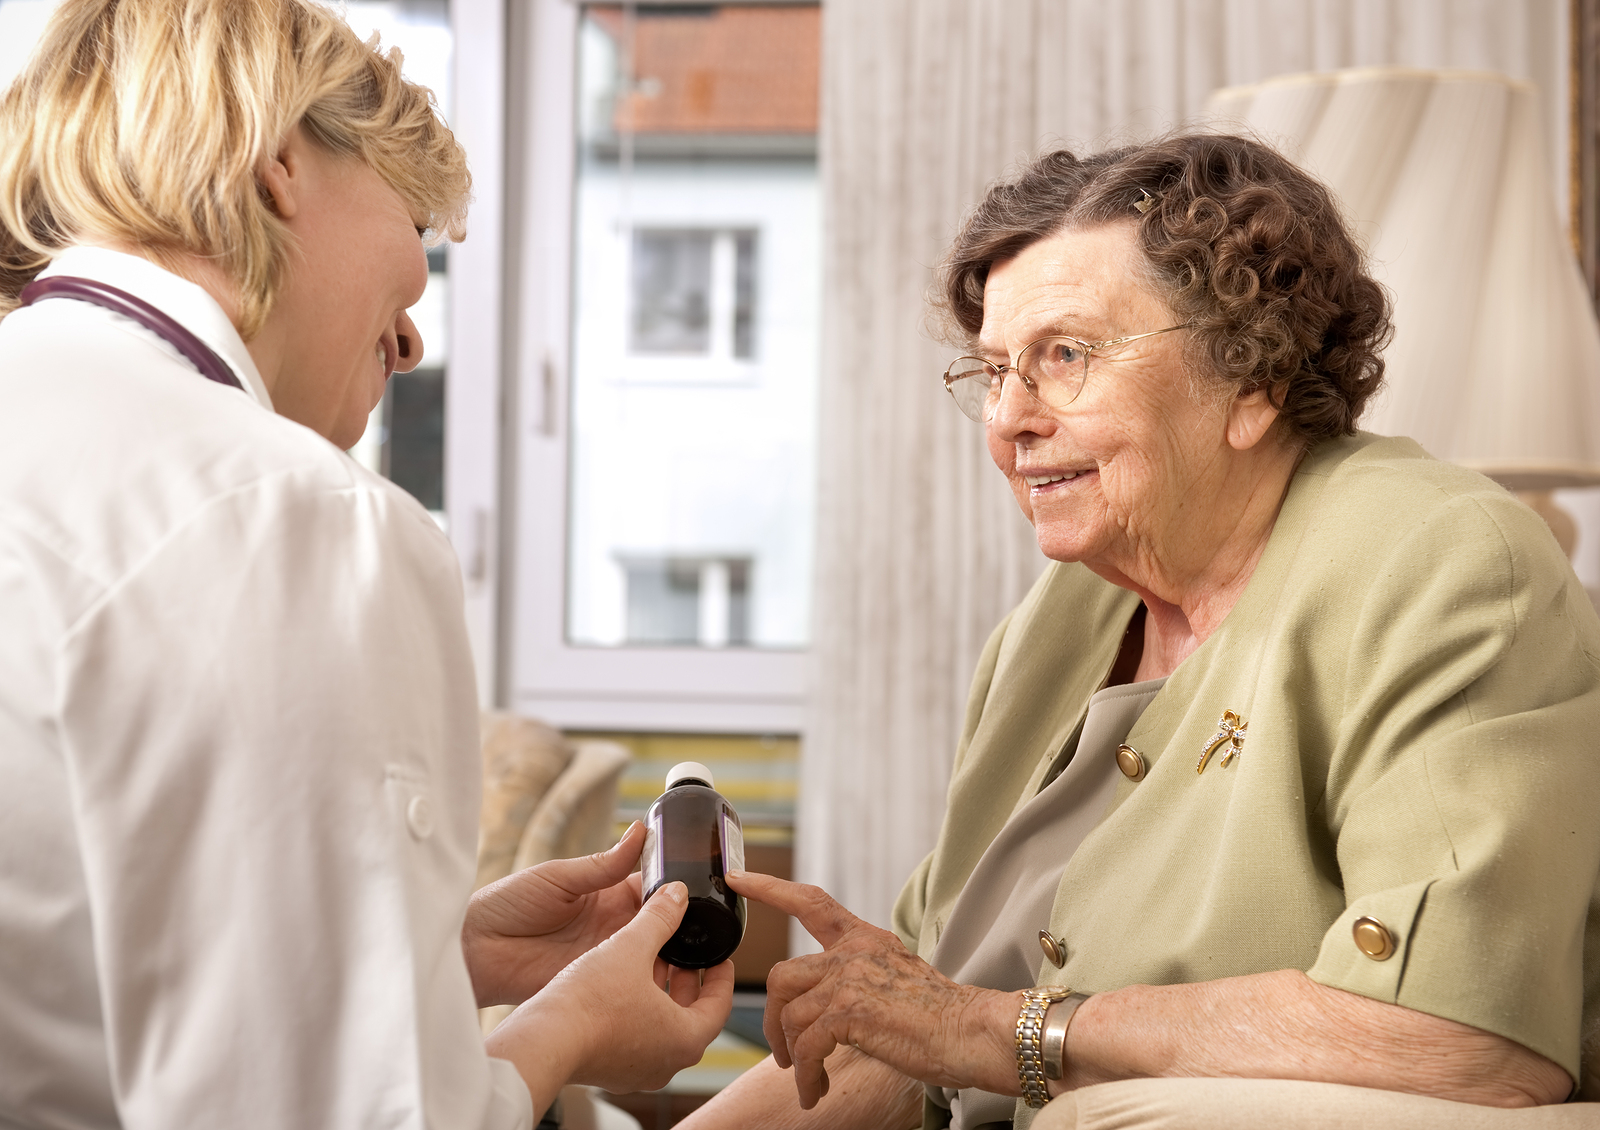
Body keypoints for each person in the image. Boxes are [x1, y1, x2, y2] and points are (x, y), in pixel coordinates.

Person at [680, 134, 1600, 1130]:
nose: (1009, 419)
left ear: (1250, 377)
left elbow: (1461, 1041)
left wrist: (1007, 1033)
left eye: (1063, 355)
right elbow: (909, 1026)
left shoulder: (1439, 561)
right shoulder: (1060, 619)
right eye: (992, 370)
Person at [0, 1, 730, 1126]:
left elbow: (75, 948)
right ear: (278, 160)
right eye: (413, 229)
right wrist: (571, 1026)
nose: (413, 334)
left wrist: (436, 954)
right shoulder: (291, 517)